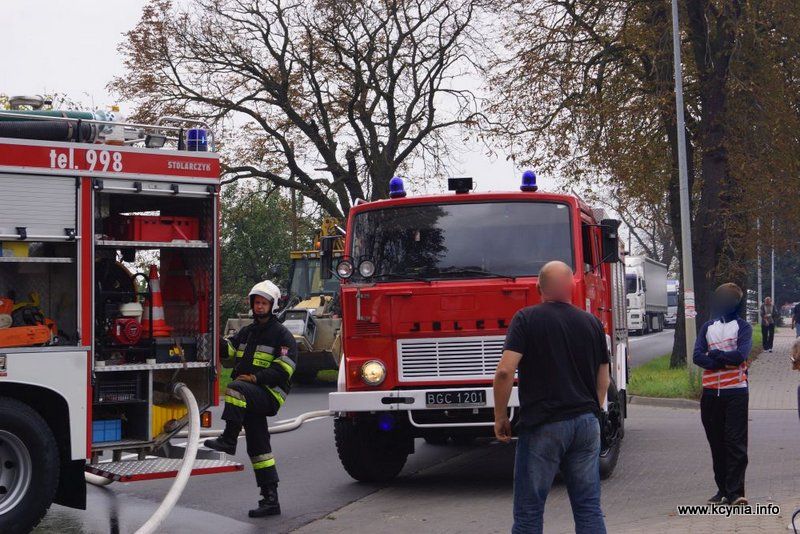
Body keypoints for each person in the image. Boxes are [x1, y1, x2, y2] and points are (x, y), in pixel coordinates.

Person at [493, 260, 609, 534]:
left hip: (544, 424)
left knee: (529, 511)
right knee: (588, 506)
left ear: (538, 288)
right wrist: (593, 410)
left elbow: (504, 372)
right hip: (585, 423)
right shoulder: (592, 322)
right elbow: (603, 377)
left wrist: (500, 416)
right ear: (571, 287)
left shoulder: (526, 319)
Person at [205, 280, 297, 517]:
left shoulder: (283, 336)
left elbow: (283, 371)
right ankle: (270, 500)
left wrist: (255, 379)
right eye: (256, 302)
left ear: (273, 305)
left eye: (263, 303)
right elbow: (230, 350)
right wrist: (212, 336)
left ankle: (229, 440)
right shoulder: (249, 331)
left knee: (235, 388)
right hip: (252, 395)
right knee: (259, 448)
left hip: (269, 393)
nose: (259, 307)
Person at [693, 283, 752, 506]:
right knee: (716, 442)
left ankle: (736, 493)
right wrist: (723, 361)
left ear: (735, 302)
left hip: (736, 393)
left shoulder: (743, 327)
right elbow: (697, 356)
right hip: (710, 393)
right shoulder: (708, 327)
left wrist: (715, 355)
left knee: (735, 443)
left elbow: (740, 355)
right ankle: (722, 490)